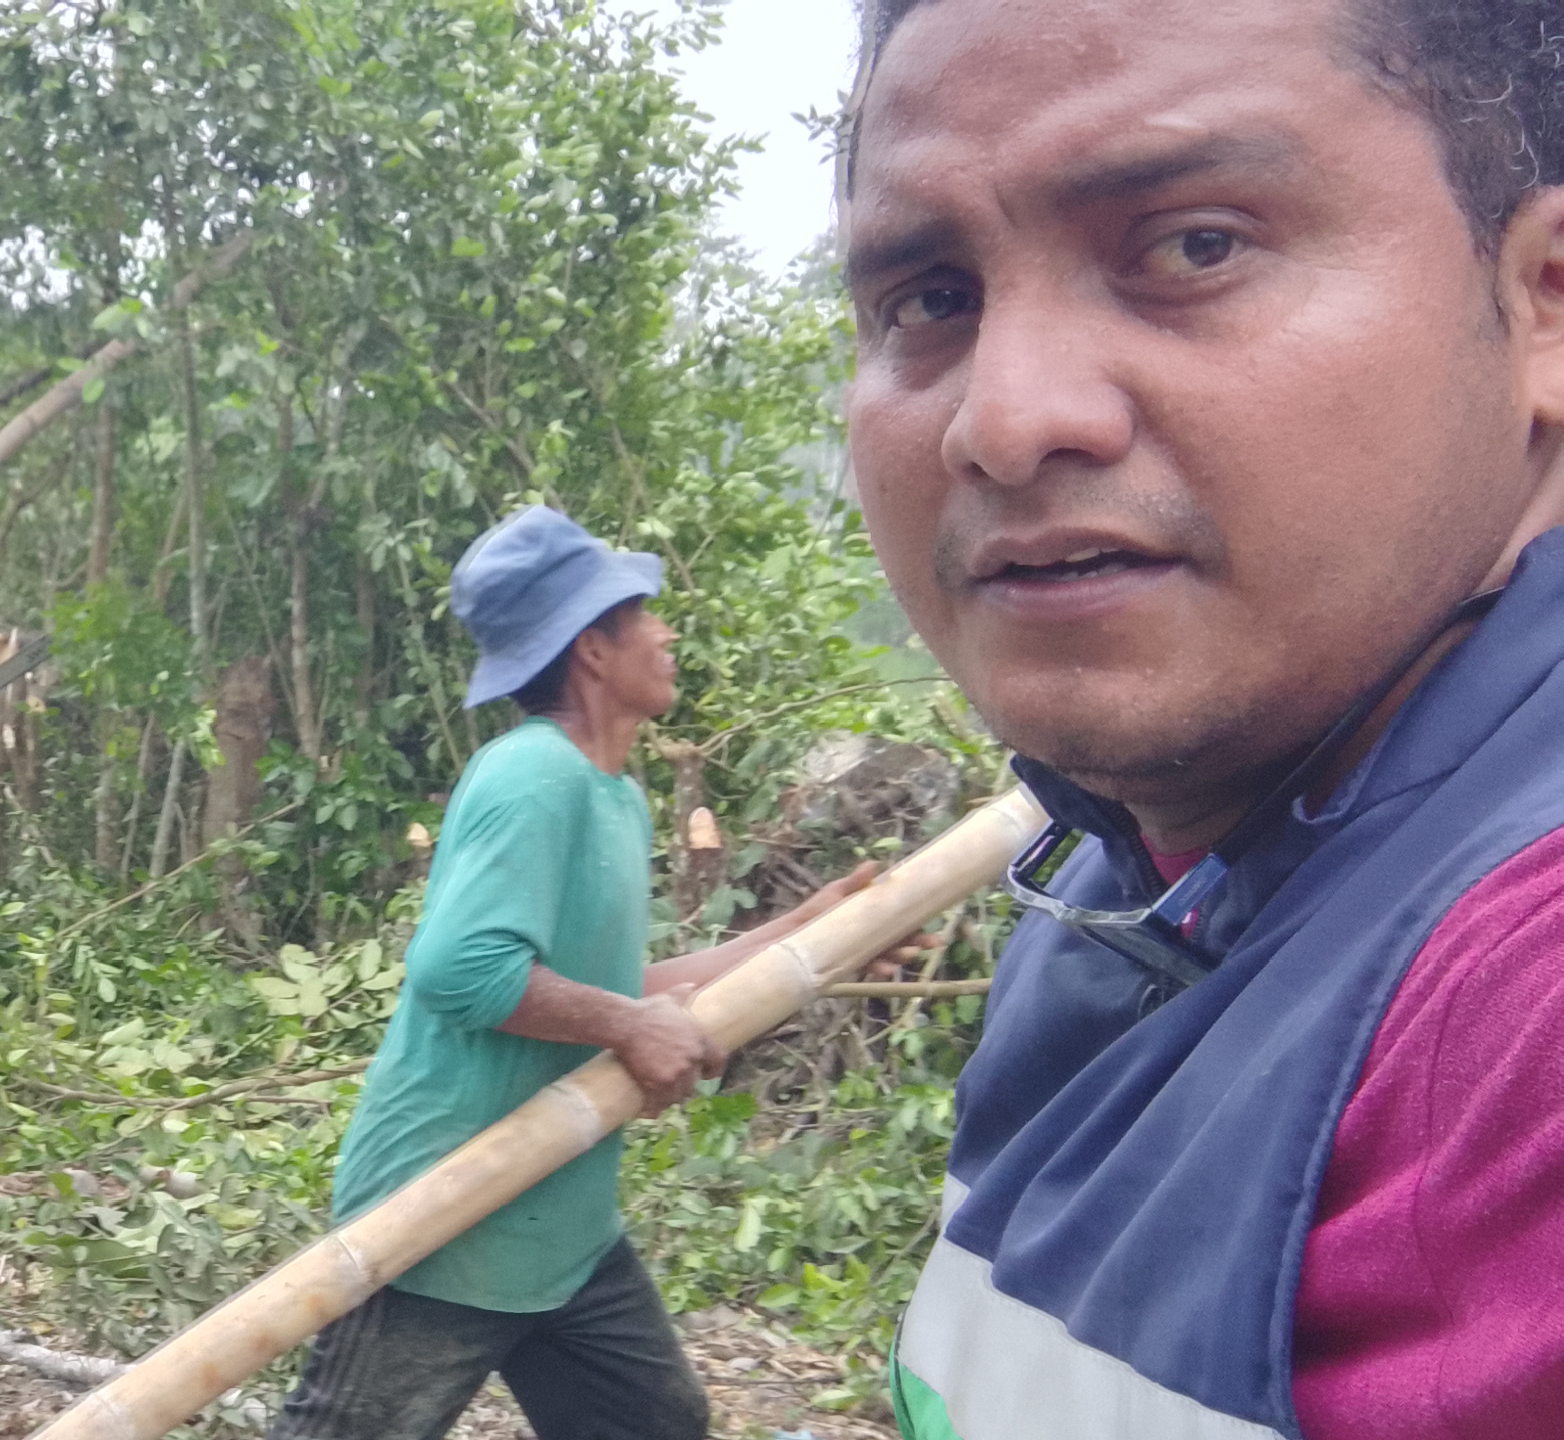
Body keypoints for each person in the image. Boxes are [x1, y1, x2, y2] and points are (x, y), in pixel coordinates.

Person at [839, 2, 1564, 1435]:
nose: (1004, 422)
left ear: (1540, 306)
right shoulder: (1122, 873)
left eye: (1192, 247)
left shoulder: (1519, 1013)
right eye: (929, 299)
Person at [270, 507, 908, 1440]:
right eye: (644, 613)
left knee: (653, 1424)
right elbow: (461, 970)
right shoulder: (534, 774)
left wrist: (805, 933)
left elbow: (612, 983)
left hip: (560, 1225)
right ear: (593, 649)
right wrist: (627, 1026)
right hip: (448, 1215)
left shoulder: (613, 794)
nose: (667, 632)